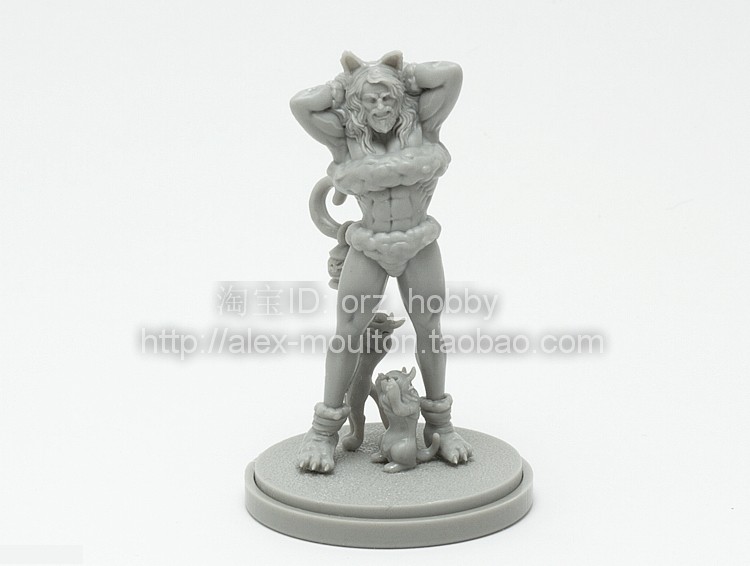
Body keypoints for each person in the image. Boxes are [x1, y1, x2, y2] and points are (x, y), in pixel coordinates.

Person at [290, 51, 472, 472]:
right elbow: (301, 105)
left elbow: (450, 75)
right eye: (370, 100)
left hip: (418, 242)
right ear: (357, 104)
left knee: (430, 330)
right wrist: (344, 86)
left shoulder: (423, 124)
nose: (381, 108)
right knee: (346, 334)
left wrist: (402, 76)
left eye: (388, 98)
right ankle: (323, 433)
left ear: (401, 99)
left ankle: (441, 427)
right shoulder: (346, 138)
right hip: (369, 245)